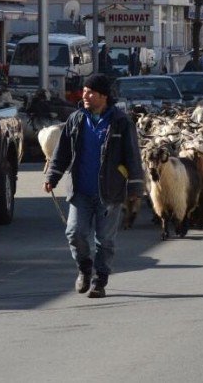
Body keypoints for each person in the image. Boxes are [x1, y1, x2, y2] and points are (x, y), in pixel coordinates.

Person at [43, 74, 144, 298]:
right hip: (80, 190)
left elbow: (133, 156)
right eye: (85, 91)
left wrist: (136, 188)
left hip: (110, 192)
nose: (84, 96)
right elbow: (62, 153)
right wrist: (52, 177)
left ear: (103, 96)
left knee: (105, 240)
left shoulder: (120, 122)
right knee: (74, 233)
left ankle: (100, 280)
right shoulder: (76, 119)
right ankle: (84, 268)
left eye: (90, 92)